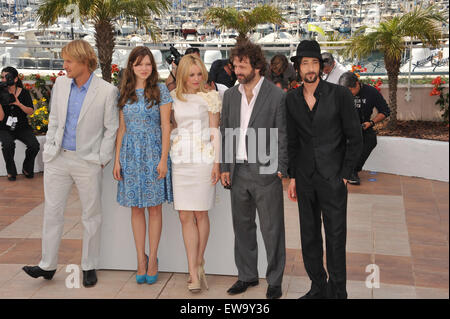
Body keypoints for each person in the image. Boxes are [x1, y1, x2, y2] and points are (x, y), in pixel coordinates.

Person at [22, 40, 119, 287]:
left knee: (91, 215)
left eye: (68, 61)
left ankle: (89, 265)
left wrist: (101, 159)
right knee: (52, 212)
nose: (64, 66)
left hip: (88, 162)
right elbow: (54, 119)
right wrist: (49, 150)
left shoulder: (107, 90)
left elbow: (111, 129)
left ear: (84, 62)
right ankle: (48, 265)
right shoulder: (61, 85)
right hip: (58, 158)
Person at [286, 40, 362, 299]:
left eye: (314, 63)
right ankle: (318, 286)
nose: (310, 68)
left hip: (333, 179)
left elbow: (355, 137)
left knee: (335, 237)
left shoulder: (339, 95)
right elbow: (292, 141)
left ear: (321, 66)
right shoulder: (292, 99)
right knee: (309, 236)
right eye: (305, 63)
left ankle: (338, 291)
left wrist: (345, 174)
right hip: (305, 178)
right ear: (298, 68)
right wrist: (293, 176)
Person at [220, 41, 288, 299]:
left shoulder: (276, 95)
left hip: (266, 171)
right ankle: (247, 276)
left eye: (242, 65)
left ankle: (275, 280)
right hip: (237, 172)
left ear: (257, 66)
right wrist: (225, 166)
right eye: (235, 65)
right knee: (243, 228)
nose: (237, 70)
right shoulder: (229, 96)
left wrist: (281, 168)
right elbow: (225, 132)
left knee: (272, 229)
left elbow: (283, 134)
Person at [113, 46, 173, 284]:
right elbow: (122, 128)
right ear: (132, 67)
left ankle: (154, 258)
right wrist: (117, 159)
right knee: (136, 208)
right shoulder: (125, 91)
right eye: (139, 64)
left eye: (148, 63)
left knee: (155, 208)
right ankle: (140, 258)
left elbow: (166, 126)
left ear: (153, 66)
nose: (144, 68)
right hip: (130, 155)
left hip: (153, 152)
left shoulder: (160, 90)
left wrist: (163, 159)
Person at [170, 54, 222, 293]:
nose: (196, 78)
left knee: (200, 214)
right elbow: (170, 127)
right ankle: (193, 270)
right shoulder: (173, 98)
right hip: (181, 161)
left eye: (199, 73)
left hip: (203, 159)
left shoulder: (210, 97)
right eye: (191, 74)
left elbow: (215, 131)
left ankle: (199, 262)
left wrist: (216, 163)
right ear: (182, 75)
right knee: (184, 216)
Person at [338, 71, 390, 185]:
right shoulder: (340, 93)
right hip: (343, 126)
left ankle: (352, 170)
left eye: (350, 90)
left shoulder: (371, 92)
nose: (349, 94)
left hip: (363, 126)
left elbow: (385, 111)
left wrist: (371, 122)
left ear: (357, 84)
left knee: (371, 140)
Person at [0, 66, 40, 181]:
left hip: (22, 126)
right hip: (4, 127)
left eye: (6, 77)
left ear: (15, 79)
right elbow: (1, 117)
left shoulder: (24, 93)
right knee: (8, 145)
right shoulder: (1, 92)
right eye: (2, 77)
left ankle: (27, 168)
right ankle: (11, 171)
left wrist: (19, 104)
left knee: (34, 145)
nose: (4, 80)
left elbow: (31, 112)